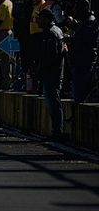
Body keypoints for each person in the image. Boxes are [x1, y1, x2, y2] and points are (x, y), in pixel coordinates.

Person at [35, 8, 66, 140]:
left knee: (53, 102)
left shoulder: (51, 33)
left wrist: (42, 70)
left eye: (40, 18)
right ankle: (56, 130)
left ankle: (57, 131)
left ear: (47, 19)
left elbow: (52, 56)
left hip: (52, 73)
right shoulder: (54, 31)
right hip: (52, 72)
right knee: (52, 101)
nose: (38, 21)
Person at [67, 0, 98, 103]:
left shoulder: (90, 22)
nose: (74, 10)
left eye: (77, 8)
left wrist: (75, 29)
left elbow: (87, 41)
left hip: (84, 63)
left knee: (81, 94)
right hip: (79, 62)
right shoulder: (84, 22)